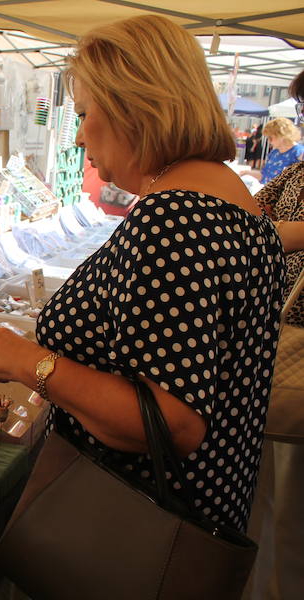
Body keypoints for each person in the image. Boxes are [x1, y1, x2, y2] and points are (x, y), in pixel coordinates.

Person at [0, 14, 285, 536]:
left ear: (131, 106)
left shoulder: (173, 218)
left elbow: (171, 420)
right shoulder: (231, 198)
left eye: (83, 113)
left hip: (133, 527)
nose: (78, 136)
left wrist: (31, 362)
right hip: (200, 513)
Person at [245, 69, 304, 600]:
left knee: (289, 513)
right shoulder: (300, 170)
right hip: (279, 344)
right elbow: (249, 213)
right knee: (271, 501)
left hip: (296, 348)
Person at [242, 117, 304, 184]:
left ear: (282, 135)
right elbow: (265, 175)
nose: (269, 141)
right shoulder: (274, 153)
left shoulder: (299, 153)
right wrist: (247, 173)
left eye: (270, 138)